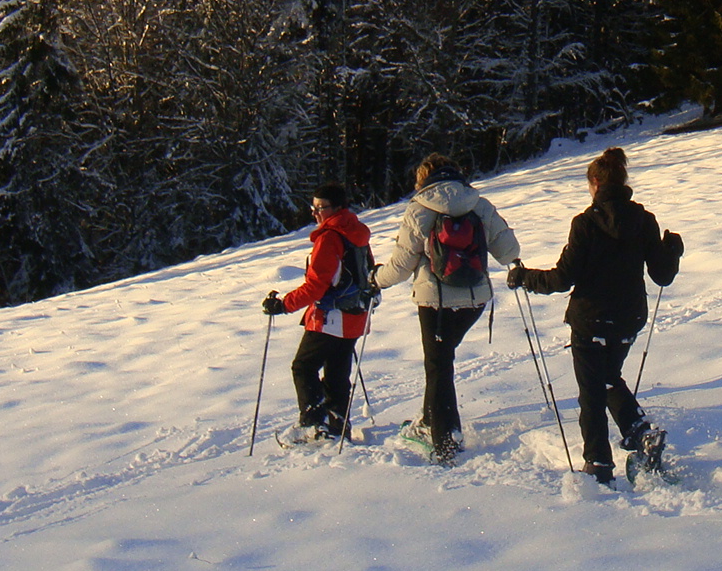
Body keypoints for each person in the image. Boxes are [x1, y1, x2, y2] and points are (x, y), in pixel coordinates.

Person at [508, 148, 684, 486]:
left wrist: (525, 277)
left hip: (590, 321)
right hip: (629, 318)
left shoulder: (585, 223)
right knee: (606, 379)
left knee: (592, 391)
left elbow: (562, 279)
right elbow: (662, 275)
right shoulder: (644, 220)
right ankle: (640, 434)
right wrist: (672, 252)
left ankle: (599, 465)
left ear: (595, 183)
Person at [373, 153, 521, 462]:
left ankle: (445, 441)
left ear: (423, 179)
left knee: (438, 367)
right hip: (475, 299)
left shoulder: (420, 208)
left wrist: (377, 280)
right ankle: (430, 422)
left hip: (435, 301)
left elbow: (401, 265)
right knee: (441, 363)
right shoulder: (478, 202)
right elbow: (509, 250)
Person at [262, 184, 374, 443]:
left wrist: (283, 305)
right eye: (314, 207)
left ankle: (314, 425)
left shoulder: (330, 237)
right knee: (337, 372)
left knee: (303, 366)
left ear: (337, 208)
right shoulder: (356, 232)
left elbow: (316, 286)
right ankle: (336, 424)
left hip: (330, 318)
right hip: (355, 316)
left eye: (321, 207)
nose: (316, 213)